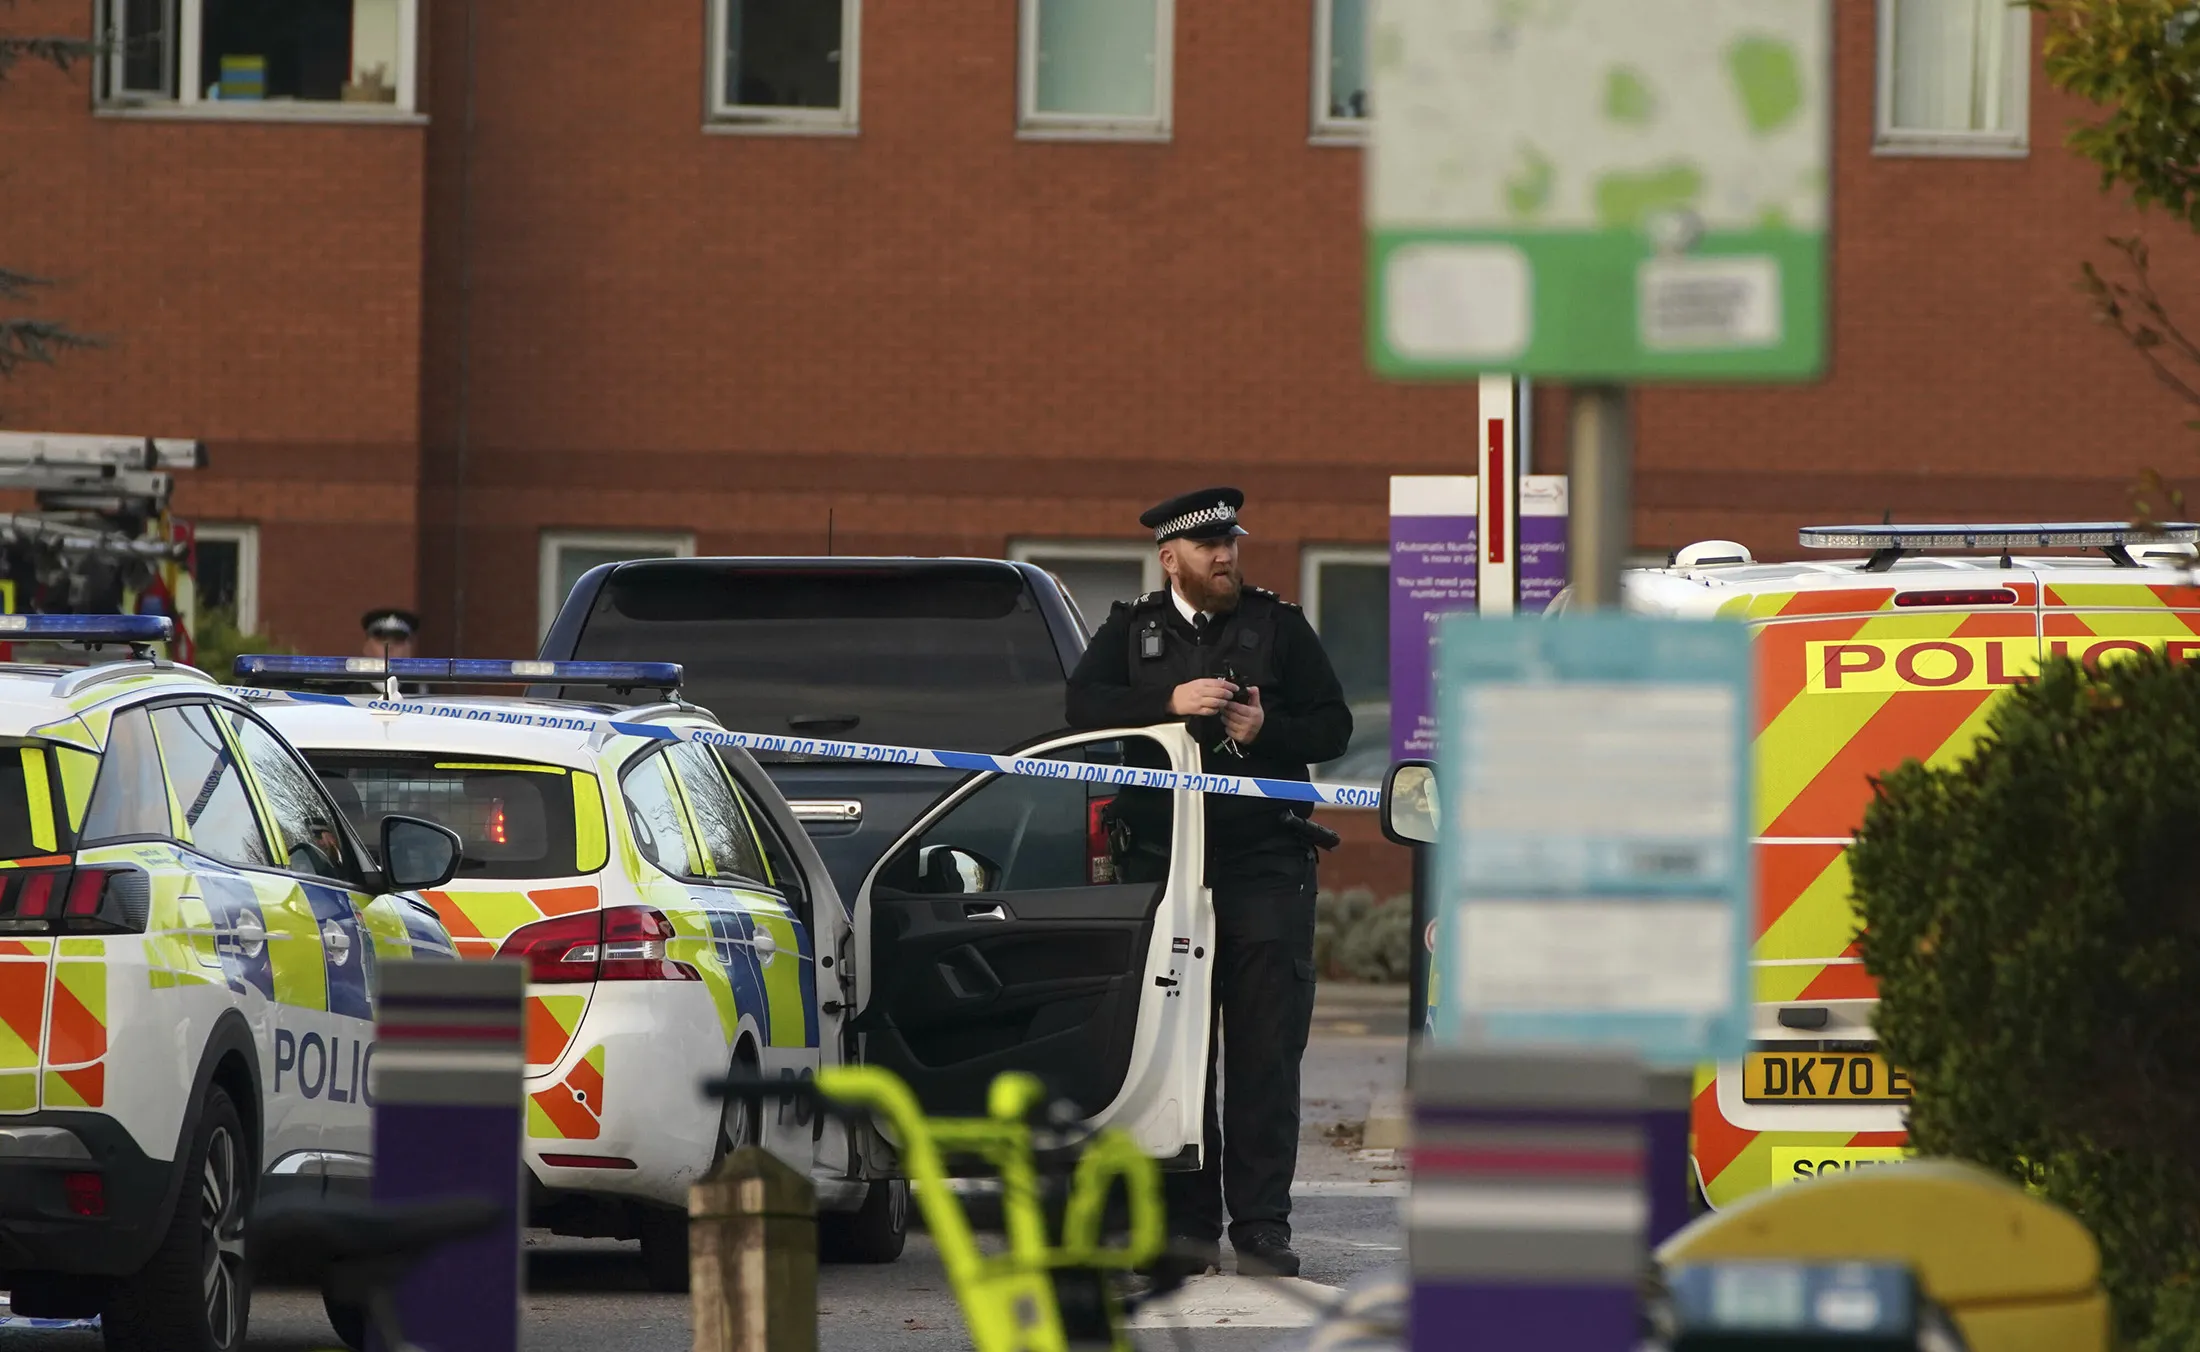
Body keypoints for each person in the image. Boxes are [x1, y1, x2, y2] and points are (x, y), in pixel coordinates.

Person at [1065, 486, 1352, 1280]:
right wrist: (1167, 701)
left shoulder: (1278, 627)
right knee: (1180, 1054)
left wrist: (1269, 732)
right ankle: (1186, 1229)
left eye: (1232, 543)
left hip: (1265, 866)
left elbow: (1334, 725)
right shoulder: (1132, 633)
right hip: (1168, 874)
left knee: (1265, 1054)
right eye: (1208, 547)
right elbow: (1077, 709)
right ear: (1171, 559)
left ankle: (1261, 1227)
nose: (1226, 557)